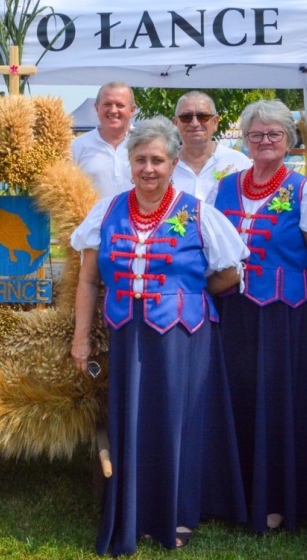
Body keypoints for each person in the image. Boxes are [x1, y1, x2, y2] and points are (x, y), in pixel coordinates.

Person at [71, 116, 249, 555]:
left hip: (182, 337)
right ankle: (134, 508)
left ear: (173, 163)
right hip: (127, 332)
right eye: (140, 160)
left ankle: (178, 512)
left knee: (177, 421)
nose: (148, 168)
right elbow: (89, 280)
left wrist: (184, 294)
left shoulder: (199, 211)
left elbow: (230, 273)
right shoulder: (107, 211)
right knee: (130, 419)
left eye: (157, 160)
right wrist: (81, 339)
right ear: (129, 163)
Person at [208, 99, 307, 533]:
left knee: (280, 404)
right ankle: (233, 495)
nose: (264, 141)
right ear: (244, 138)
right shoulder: (223, 186)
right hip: (232, 311)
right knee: (236, 398)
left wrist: (290, 295)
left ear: (289, 140)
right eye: (256, 134)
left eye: (273, 134)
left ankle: (279, 498)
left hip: (285, 317)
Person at [171, 90, 251, 200]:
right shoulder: (163, 166)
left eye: (203, 116)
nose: (195, 123)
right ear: (176, 123)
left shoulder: (239, 163)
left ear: (215, 122)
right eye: (186, 117)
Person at [70, 82, 136, 198]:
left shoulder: (145, 143)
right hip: (95, 216)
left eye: (120, 105)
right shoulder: (78, 146)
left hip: (139, 216)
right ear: (97, 108)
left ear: (132, 110)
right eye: (107, 104)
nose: (113, 110)